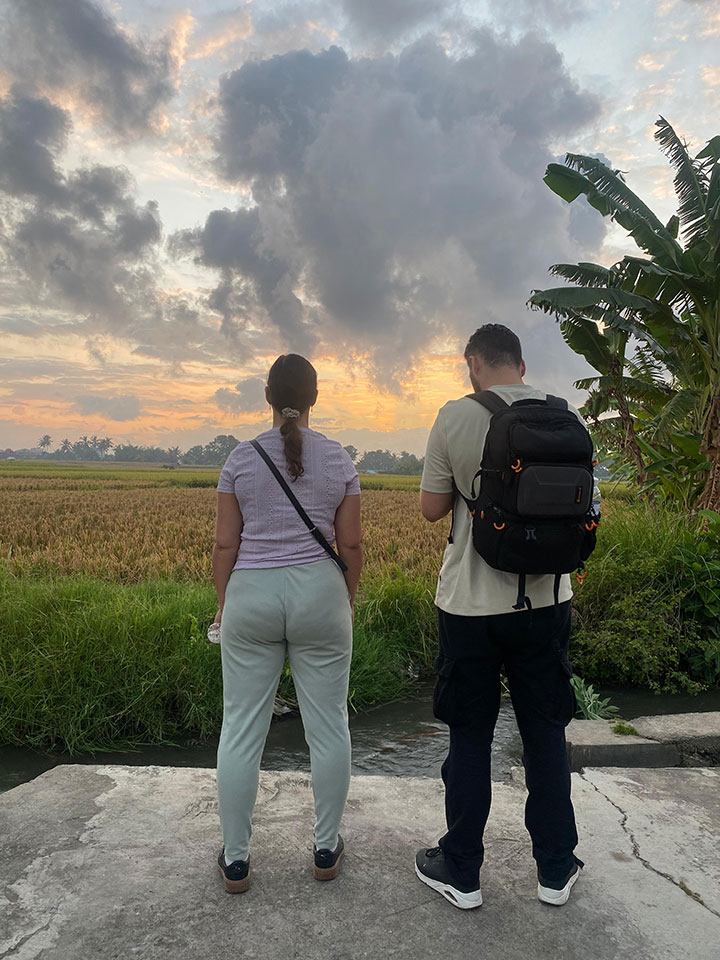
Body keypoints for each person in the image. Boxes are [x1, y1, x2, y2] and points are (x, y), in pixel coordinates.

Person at [415, 324, 592, 910]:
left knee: (470, 735)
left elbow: (430, 509)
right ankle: (556, 868)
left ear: (474, 363)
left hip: (470, 605)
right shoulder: (565, 418)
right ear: (521, 363)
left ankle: (462, 870)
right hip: (547, 602)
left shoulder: (455, 415)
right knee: (545, 731)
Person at [212, 354, 363, 894]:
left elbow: (226, 543)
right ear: (315, 398)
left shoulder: (240, 459)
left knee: (241, 730)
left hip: (251, 593)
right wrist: (344, 598)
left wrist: (225, 602)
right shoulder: (339, 459)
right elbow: (351, 544)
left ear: (268, 398)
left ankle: (236, 861)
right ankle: (325, 848)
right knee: (328, 727)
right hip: (320, 594)